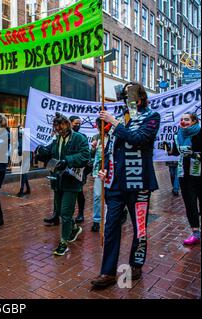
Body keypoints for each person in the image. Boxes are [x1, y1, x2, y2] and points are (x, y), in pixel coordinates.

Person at [91, 82, 160, 288]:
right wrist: (105, 169)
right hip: (115, 184)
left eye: (129, 97)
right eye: (124, 97)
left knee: (140, 227)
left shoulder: (151, 117)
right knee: (111, 226)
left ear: (139, 99)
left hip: (138, 183)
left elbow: (139, 139)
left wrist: (115, 124)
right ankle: (108, 272)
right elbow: (111, 148)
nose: (125, 100)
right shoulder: (120, 118)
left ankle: (136, 264)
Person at [35, 113, 90, 256]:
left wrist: (68, 160)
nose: (59, 131)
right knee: (59, 211)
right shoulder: (57, 138)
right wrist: (43, 152)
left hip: (72, 181)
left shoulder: (79, 138)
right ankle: (74, 229)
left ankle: (63, 243)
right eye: (57, 129)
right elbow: (52, 153)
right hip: (58, 180)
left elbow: (85, 156)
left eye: (61, 129)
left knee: (66, 213)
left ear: (68, 125)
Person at [166, 113, 201, 245]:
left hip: (199, 174)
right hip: (184, 176)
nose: (183, 121)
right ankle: (195, 233)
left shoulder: (199, 133)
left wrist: (194, 155)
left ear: (193, 121)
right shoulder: (178, 134)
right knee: (190, 204)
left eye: (186, 119)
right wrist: (168, 149)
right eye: (181, 119)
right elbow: (175, 152)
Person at [69, 115, 89, 223]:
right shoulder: (65, 135)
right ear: (70, 123)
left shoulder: (82, 136)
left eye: (79, 124)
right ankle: (56, 213)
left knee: (79, 191)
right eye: (75, 123)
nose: (78, 125)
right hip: (66, 167)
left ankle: (81, 213)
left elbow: (85, 153)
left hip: (78, 168)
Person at [16, 125, 31, 197]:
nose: (20, 130)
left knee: (23, 173)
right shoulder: (18, 137)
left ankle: (21, 190)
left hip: (26, 156)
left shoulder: (26, 137)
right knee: (23, 174)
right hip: (21, 156)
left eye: (22, 128)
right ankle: (28, 189)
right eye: (19, 129)